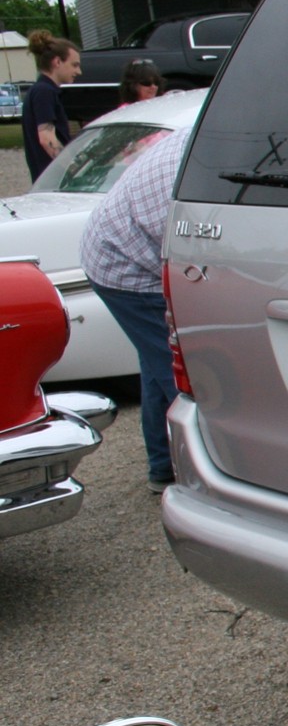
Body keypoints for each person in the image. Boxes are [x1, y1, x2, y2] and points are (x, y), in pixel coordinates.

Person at [79, 126, 187, 492]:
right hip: (123, 264)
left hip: (121, 247)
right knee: (183, 375)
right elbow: (190, 260)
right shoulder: (192, 175)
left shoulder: (205, 137)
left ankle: (163, 467)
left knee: (158, 364)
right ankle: (204, 475)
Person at [22, 29, 81, 180]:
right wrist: (75, 169)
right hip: (53, 181)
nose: (79, 71)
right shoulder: (44, 92)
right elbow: (47, 138)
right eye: (74, 65)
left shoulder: (43, 90)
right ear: (57, 62)